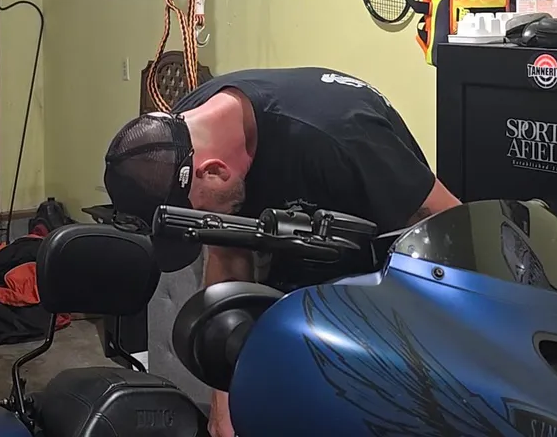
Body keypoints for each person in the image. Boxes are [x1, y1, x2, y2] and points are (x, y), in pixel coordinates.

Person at [103, 66, 461, 437]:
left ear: (216, 172)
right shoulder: (184, 131)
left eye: (204, 211)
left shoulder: (340, 136)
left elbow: (451, 225)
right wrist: (224, 402)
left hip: (377, 283)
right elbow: (228, 255)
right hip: (292, 265)